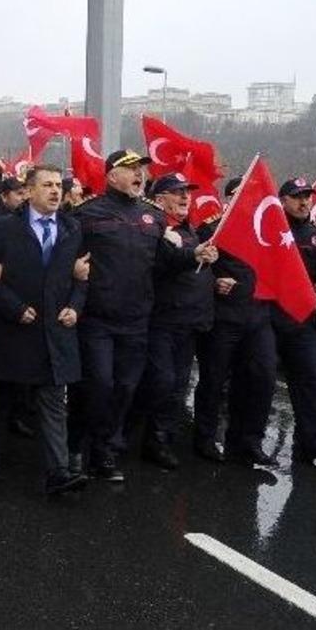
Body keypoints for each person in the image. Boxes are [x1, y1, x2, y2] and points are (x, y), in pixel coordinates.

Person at [69, 150, 217, 483]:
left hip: (136, 320)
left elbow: (167, 258)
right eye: (131, 169)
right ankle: (75, 446)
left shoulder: (153, 217)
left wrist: (194, 253)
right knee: (98, 385)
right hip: (97, 319)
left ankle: (103, 451)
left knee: (124, 387)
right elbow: (68, 258)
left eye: (141, 170)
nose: (139, 175)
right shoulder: (86, 213)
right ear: (111, 176)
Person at [0, 164, 88, 494]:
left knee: (53, 400)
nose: (55, 191)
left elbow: (82, 277)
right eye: (47, 185)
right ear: (28, 190)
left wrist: (75, 306)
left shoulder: (71, 228)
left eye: (58, 185)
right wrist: (13, 308)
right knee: (1, 399)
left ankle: (59, 471)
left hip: (54, 330)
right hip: (15, 330)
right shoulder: (2, 228)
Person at [193, 177, 276, 466]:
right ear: (229, 198)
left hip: (258, 316)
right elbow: (195, 269)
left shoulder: (268, 230)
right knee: (214, 380)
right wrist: (214, 281)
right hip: (223, 318)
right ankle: (204, 438)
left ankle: (248, 441)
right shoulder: (210, 230)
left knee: (262, 378)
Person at [133, 174, 214, 470]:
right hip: (160, 321)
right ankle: (128, 427)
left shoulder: (191, 230)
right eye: (176, 192)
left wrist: (216, 279)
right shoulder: (152, 229)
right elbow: (161, 264)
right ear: (159, 199)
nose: (184, 197)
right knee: (161, 380)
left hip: (189, 323)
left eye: (187, 191)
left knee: (177, 385)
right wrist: (188, 254)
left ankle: (159, 441)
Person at [272, 178, 316, 468]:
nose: (304, 202)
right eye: (297, 197)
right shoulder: (270, 230)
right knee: (258, 381)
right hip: (267, 318)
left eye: (307, 196)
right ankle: (240, 442)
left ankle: (309, 446)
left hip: (303, 323)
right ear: (283, 201)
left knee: (311, 381)